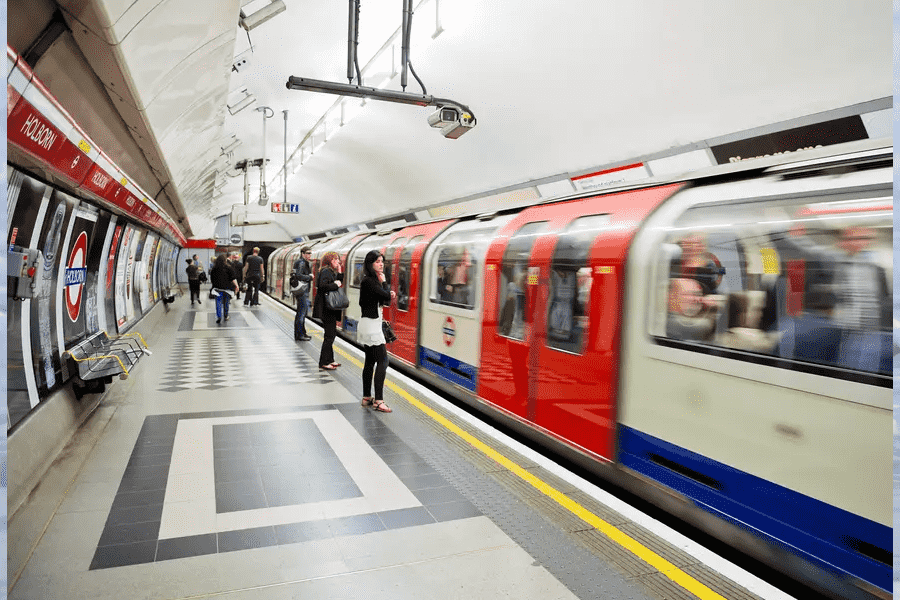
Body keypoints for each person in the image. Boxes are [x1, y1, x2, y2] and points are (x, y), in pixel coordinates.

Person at [357, 250, 396, 412]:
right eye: (378, 262)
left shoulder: (372, 281)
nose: (381, 264)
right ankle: (378, 401)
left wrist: (385, 287)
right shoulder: (369, 282)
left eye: (382, 262)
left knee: (370, 361)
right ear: (370, 264)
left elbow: (385, 300)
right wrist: (386, 286)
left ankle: (367, 397)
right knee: (383, 361)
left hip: (369, 324)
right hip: (372, 326)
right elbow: (387, 295)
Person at [313, 251, 344, 370]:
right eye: (336, 259)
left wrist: (340, 272)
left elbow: (338, 282)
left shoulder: (330, 271)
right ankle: (323, 362)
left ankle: (330, 359)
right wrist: (335, 285)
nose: (338, 262)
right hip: (326, 308)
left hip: (329, 307)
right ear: (330, 261)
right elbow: (322, 286)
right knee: (329, 336)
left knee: (331, 333)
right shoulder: (326, 271)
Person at [666, 278, 721, 342]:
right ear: (671, 297)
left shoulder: (688, 319)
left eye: (698, 294)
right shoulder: (670, 322)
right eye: (689, 294)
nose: (697, 299)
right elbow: (705, 327)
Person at [209, 253, 239, 324]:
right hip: (227, 289)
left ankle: (219, 316)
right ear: (225, 261)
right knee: (226, 303)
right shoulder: (229, 268)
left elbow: (212, 279)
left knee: (218, 303)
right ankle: (226, 316)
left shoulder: (214, 269)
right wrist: (237, 286)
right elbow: (233, 278)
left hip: (217, 289)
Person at [292, 247, 313, 341]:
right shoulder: (301, 263)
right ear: (303, 253)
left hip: (301, 290)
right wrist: (309, 277)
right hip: (302, 290)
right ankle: (300, 335)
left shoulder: (299, 262)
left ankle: (302, 333)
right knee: (302, 313)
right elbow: (299, 276)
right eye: (308, 253)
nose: (309, 255)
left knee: (301, 312)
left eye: (310, 253)